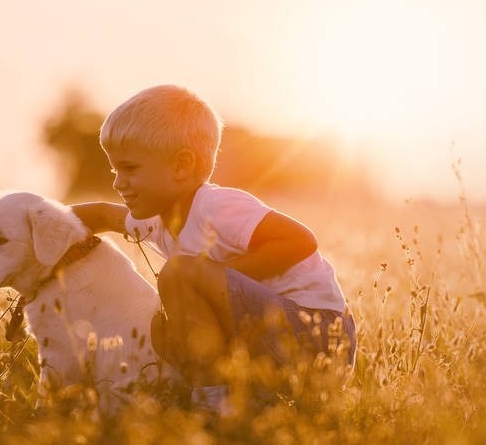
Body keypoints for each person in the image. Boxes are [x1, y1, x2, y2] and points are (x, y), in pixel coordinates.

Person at [70, 84, 356, 416]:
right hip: (274, 342)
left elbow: (300, 240)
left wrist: (214, 277)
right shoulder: (156, 218)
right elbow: (103, 215)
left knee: (180, 274)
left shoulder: (217, 207)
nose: (118, 182)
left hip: (320, 338)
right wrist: (38, 225)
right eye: (114, 170)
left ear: (181, 166)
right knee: (162, 329)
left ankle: (213, 406)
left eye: (130, 168)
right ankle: (242, 399)